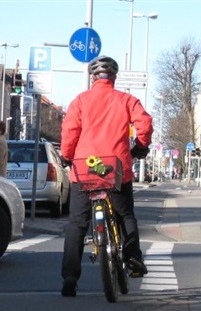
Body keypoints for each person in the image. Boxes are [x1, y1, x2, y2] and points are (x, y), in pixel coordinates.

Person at [59, 56, 153, 297]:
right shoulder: (127, 100)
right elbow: (144, 124)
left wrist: (67, 156)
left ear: (93, 77)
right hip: (116, 168)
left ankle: (70, 277)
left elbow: (70, 132)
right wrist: (140, 147)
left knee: (77, 224)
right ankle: (133, 259)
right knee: (125, 215)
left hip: (85, 169)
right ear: (114, 77)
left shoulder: (80, 101)